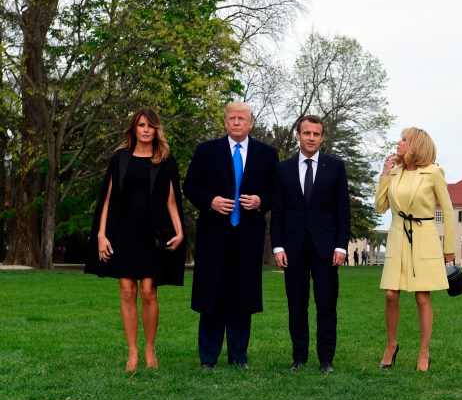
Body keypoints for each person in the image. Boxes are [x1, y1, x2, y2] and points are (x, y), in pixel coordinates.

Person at [85, 108, 186, 372]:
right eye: (141, 125)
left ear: (156, 130)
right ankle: (132, 353)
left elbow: (172, 199)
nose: (145, 130)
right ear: (134, 128)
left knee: (149, 291)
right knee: (127, 291)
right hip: (123, 232)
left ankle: (150, 347)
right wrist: (101, 235)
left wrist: (180, 231)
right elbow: (107, 198)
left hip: (152, 233)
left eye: (150, 126)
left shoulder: (165, 159)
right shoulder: (120, 158)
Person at [183, 102, 278, 370]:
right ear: (225, 122)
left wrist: (261, 201)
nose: (236, 122)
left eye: (241, 118)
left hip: (248, 236)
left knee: (242, 296)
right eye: (231, 118)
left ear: (251, 123)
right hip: (213, 235)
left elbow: (277, 191)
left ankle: (239, 357)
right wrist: (210, 200)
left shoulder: (267, 154)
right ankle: (208, 358)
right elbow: (190, 185)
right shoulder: (206, 151)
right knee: (212, 294)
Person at [271, 115, 351, 373]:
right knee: (297, 305)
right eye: (307, 133)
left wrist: (341, 246)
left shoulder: (335, 167)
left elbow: (343, 210)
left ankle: (326, 360)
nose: (311, 138)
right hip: (292, 248)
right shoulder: (283, 169)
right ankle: (299, 358)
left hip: (326, 249)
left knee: (326, 305)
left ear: (322, 137)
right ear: (298, 136)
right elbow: (278, 211)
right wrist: (277, 246)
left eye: (316, 134)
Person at [375, 127, 455, 372]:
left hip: (424, 237)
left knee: (422, 296)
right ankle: (391, 346)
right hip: (398, 235)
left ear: (415, 145)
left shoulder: (434, 172)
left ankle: (424, 351)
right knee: (391, 294)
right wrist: (384, 175)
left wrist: (449, 248)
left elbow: (448, 211)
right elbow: (380, 208)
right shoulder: (395, 173)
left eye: (403, 140)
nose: (398, 143)